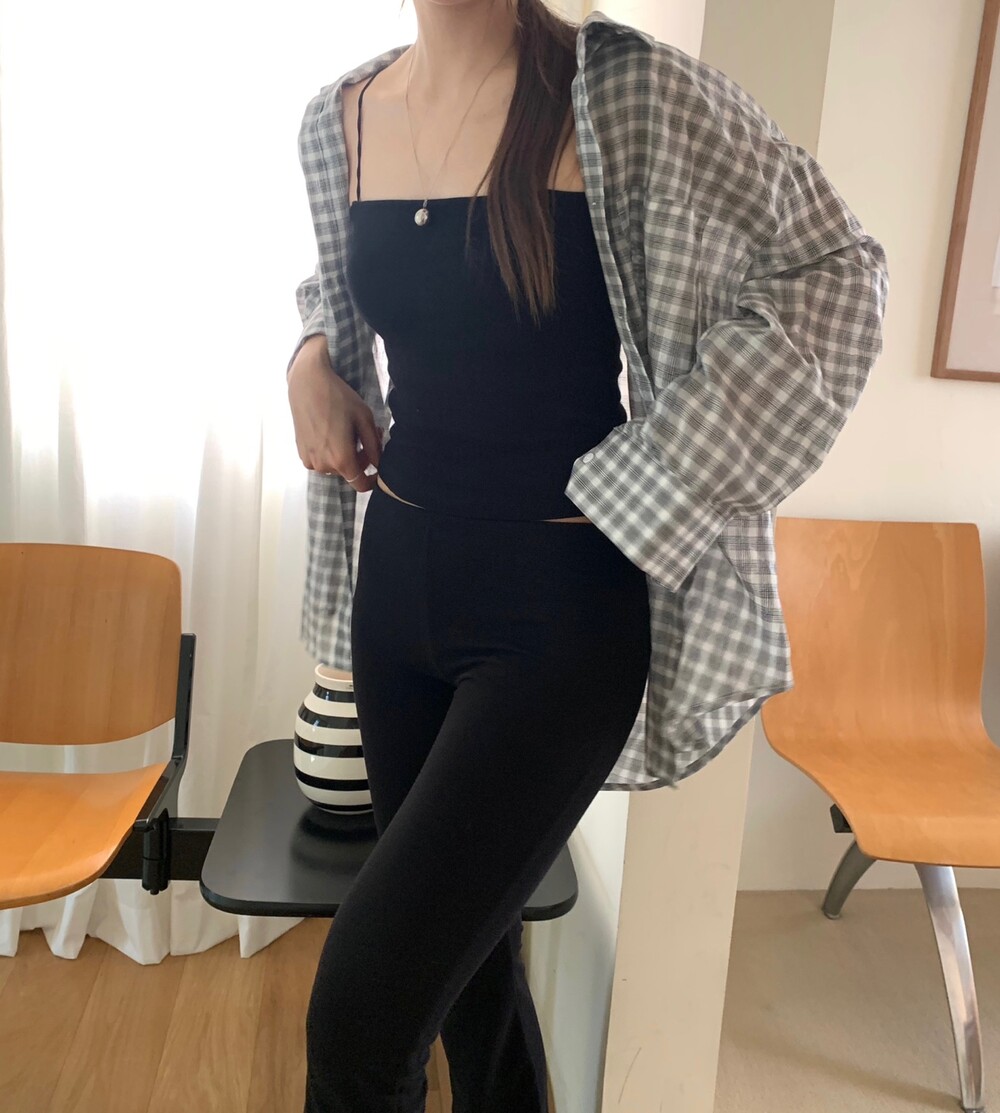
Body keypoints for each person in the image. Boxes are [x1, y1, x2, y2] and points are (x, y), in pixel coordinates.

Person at [285, 2, 889, 1110]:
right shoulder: (341, 117)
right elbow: (338, 283)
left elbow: (835, 274)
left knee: (359, 1014)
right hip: (396, 589)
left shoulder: (622, 92)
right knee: (469, 983)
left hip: (558, 614)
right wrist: (309, 358)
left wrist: (651, 479)